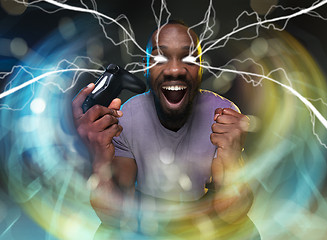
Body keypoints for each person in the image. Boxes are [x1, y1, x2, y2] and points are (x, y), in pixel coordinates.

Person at [72, 20, 260, 239]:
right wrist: (99, 160)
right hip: (148, 219)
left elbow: (232, 213)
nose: (174, 70)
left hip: (203, 220)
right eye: (160, 58)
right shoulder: (128, 116)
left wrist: (230, 157)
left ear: (201, 68)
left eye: (189, 58)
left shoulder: (223, 114)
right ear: (146, 68)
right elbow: (116, 217)